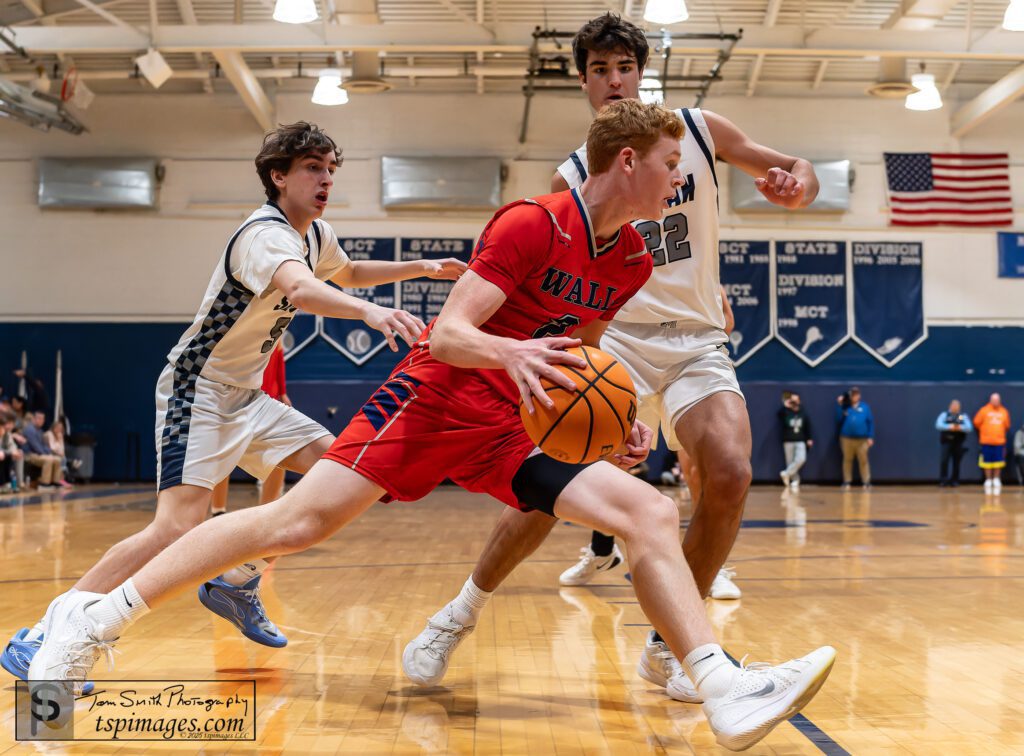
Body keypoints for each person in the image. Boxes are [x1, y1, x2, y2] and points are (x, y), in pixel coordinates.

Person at [31, 101, 835, 752]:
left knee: (649, 509)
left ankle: (717, 684)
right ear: (629, 161)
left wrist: (615, 417)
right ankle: (93, 617)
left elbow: (584, 356)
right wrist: (513, 354)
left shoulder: (629, 260)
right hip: (435, 400)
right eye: (670, 167)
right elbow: (449, 334)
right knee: (298, 520)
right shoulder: (530, 222)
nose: (678, 182)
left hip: (508, 425)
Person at [403, 12, 820, 701]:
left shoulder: (699, 131)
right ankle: (459, 612)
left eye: (623, 66)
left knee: (731, 470)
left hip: (693, 337)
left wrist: (796, 184)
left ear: (642, 71)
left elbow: (793, 170)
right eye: (599, 69)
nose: (614, 80)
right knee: (547, 492)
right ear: (583, 81)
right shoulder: (576, 172)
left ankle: (669, 650)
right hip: (612, 336)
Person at [3, 121, 464, 681]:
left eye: (331, 170)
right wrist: (368, 312)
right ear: (279, 176)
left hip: (246, 394)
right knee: (175, 528)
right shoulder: (263, 235)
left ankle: (236, 579)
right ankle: (42, 634)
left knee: (342, 471)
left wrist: (425, 268)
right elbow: (301, 289)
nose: (326, 180)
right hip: (196, 390)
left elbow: (348, 271)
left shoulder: (315, 234)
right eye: (313, 169)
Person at [209, 342, 291, 517]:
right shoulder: (241, 333)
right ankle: (218, 511)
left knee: (279, 456)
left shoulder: (276, 331)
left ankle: (267, 513)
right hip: (239, 398)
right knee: (223, 457)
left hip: (268, 399)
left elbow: (278, 364)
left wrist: (283, 393)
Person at [837, 387, 873, 490]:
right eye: (853, 394)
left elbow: (870, 422)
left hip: (862, 440)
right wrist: (840, 405)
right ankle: (847, 481)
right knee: (847, 460)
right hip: (847, 439)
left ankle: (866, 482)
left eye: (856, 394)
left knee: (863, 461)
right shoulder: (845, 407)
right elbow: (838, 419)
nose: (855, 396)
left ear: (859, 395)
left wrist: (870, 436)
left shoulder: (865, 407)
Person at [974, 393, 1011, 494]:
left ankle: (996, 479)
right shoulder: (984, 410)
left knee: (998, 461)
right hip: (986, 441)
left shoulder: (1004, 411)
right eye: (993, 399)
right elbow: (976, 422)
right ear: (990, 400)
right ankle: (988, 479)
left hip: (999, 441)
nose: (995, 401)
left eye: (997, 399)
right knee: (987, 462)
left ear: (999, 400)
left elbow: (1007, 425)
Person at [779, 392, 813, 492]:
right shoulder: (785, 412)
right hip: (788, 440)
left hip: (800, 440)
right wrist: (786, 406)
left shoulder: (803, 413)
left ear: (799, 401)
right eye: (792, 400)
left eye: (796, 400)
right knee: (790, 462)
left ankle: (786, 474)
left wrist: (809, 438)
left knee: (801, 459)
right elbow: (779, 415)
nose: (794, 402)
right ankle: (795, 480)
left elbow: (808, 427)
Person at [21, 411, 63, 490]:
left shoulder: (40, 431)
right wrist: (46, 454)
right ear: (33, 419)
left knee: (58, 459)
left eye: (43, 419)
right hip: (30, 454)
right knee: (49, 459)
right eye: (39, 418)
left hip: (39, 454)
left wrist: (49, 452)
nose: (41, 421)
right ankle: (44, 483)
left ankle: (55, 481)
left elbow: (45, 446)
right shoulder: (29, 430)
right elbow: (35, 446)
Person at [936, 399, 971, 487]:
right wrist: (950, 427)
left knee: (956, 462)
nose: (955, 407)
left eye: (957, 406)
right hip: (946, 442)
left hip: (958, 442)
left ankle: (954, 480)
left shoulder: (961, 416)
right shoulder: (945, 415)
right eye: (953, 405)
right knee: (944, 461)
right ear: (950, 406)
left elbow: (968, 427)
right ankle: (943, 480)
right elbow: (938, 425)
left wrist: (959, 427)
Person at [43, 416, 73, 489]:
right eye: (58, 428)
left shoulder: (60, 435)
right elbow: (52, 448)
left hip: (57, 454)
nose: (59, 430)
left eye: (61, 428)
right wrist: (58, 440)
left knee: (63, 459)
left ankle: (60, 480)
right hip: (48, 453)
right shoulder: (49, 434)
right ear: (53, 427)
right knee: (61, 459)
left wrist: (60, 439)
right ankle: (59, 480)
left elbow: (62, 450)